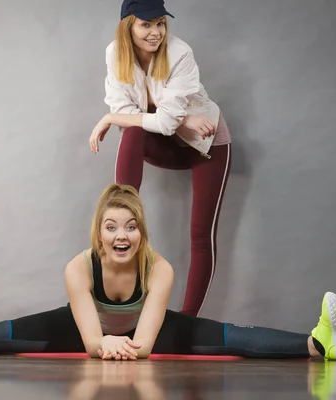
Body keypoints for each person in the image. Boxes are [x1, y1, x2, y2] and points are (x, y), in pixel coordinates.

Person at [0, 184, 336, 362]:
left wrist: (119, 343)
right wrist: (100, 343)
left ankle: (319, 343)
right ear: (98, 233)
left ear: (141, 234)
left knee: (229, 334)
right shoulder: (79, 267)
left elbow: (147, 344)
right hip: (86, 326)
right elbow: (92, 341)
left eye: (131, 227)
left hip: (140, 333)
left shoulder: (160, 269)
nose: (122, 235)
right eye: (111, 227)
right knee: (6, 332)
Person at [88, 0, 232, 317]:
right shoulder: (115, 53)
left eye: (161, 23)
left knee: (200, 235)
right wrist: (119, 117)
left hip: (205, 144)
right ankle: (121, 217)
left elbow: (154, 120)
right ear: (129, 26)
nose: (156, 32)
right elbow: (126, 113)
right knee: (133, 132)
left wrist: (113, 119)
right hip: (164, 140)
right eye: (147, 24)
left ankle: (187, 323)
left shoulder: (180, 53)